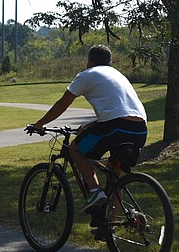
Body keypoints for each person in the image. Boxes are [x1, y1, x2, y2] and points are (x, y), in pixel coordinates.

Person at [30, 44, 147, 216]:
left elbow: (62, 103)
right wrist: (92, 124)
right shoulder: (118, 75)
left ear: (89, 60)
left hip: (115, 127)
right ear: (109, 61)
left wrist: (39, 124)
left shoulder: (87, 75)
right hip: (140, 128)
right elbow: (121, 110)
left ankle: (94, 192)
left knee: (75, 148)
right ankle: (109, 226)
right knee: (114, 176)